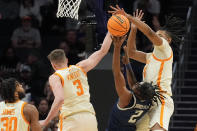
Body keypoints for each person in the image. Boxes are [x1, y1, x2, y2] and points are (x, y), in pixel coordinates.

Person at [109, 5, 185, 131]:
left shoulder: (166, 49)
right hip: (147, 102)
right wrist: (133, 28)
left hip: (161, 100)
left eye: (160, 35)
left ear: (168, 40)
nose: (157, 36)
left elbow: (149, 32)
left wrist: (129, 17)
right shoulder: (151, 56)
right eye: (157, 34)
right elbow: (131, 52)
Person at [39, 32, 112, 131]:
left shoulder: (55, 77)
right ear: (67, 60)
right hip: (90, 117)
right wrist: (111, 30)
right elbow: (103, 51)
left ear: (53, 65)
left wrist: (46, 121)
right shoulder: (81, 67)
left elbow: (60, 99)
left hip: (71, 119)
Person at [108, 35, 164, 131]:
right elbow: (133, 83)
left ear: (138, 92)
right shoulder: (148, 101)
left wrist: (117, 48)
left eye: (138, 85)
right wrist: (127, 64)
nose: (137, 83)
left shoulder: (126, 98)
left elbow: (117, 73)